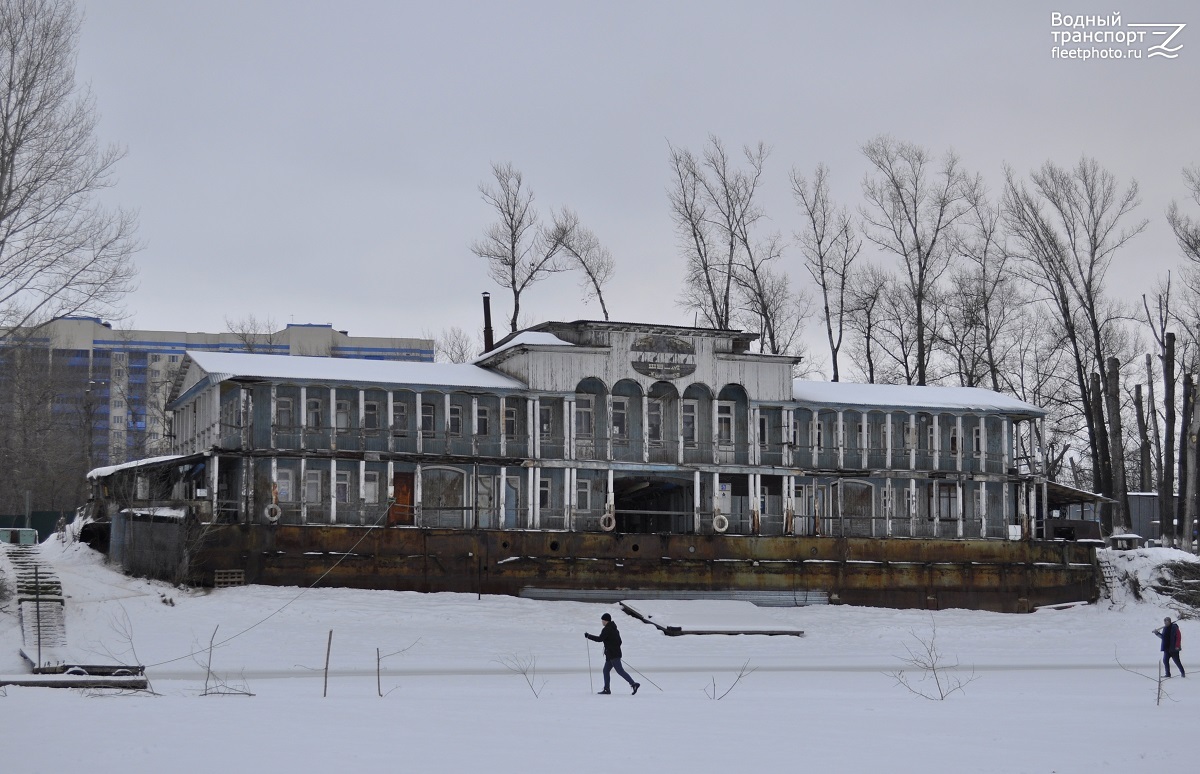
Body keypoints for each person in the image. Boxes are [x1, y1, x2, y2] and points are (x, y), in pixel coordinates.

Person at [585, 612, 640, 695]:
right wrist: (612, 647)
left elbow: (600, 639)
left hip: (613, 655)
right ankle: (607, 689)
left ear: (605, 620)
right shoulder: (615, 629)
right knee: (606, 670)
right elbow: (619, 641)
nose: (602, 622)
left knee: (620, 671)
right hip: (612, 654)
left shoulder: (607, 629)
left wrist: (589, 636)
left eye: (602, 620)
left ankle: (633, 684)